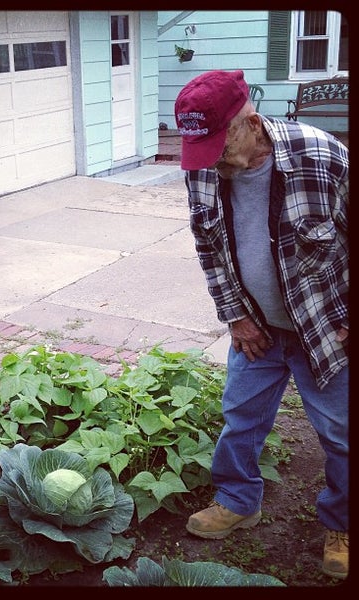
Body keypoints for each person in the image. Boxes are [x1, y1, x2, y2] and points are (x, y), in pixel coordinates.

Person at [174, 70, 348, 580]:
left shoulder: (323, 158)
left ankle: (343, 524)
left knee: (340, 433)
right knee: (240, 417)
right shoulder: (204, 166)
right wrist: (235, 316)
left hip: (324, 326)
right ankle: (237, 499)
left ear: (249, 122)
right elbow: (209, 248)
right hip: (256, 328)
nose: (208, 162)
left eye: (216, 146)